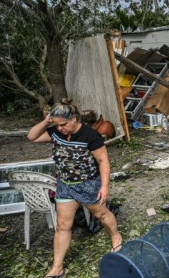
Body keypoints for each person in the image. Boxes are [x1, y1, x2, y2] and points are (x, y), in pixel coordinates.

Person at [27, 99, 122, 278]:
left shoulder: (90, 135)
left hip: (87, 184)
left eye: (63, 124)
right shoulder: (55, 132)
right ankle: (57, 268)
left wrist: (104, 186)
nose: (60, 128)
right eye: (56, 124)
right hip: (65, 185)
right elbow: (32, 136)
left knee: (101, 214)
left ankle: (116, 236)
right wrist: (47, 121)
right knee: (62, 225)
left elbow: (103, 161)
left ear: (74, 118)